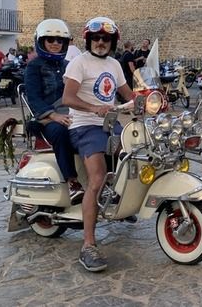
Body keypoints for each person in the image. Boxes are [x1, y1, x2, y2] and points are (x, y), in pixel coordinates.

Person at [62, 17, 135, 272]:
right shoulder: (79, 63)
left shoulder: (114, 64)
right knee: (97, 178)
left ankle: (122, 203)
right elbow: (67, 97)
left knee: (136, 154)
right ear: (89, 40)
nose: (100, 42)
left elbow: (128, 94)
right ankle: (88, 245)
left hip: (110, 124)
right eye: (96, 38)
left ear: (112, 42)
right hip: (84, 126)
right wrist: (94, 108)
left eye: (106, 39)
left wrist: (150, 99)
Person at [25, 19, 83, 203]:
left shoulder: (69, 65)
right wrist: (53, 115)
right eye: (50, 39)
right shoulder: (34, 67)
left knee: (100, 130)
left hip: (71, 114)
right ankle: (72, 182)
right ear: (41, 41)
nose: (55, 43)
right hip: (46, 119)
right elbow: (34, 97)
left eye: (60, 40)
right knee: (60, 132)